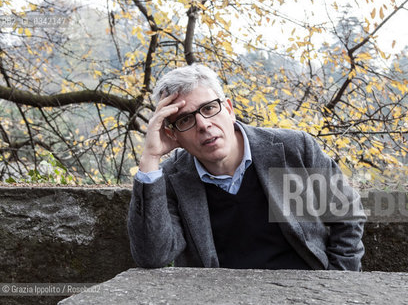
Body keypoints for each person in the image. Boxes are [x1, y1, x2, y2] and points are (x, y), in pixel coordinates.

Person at [128, 64, 365, 271]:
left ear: (229, 109)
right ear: (172, 133)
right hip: (217, 303)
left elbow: (347, 214)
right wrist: (150, 157)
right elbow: (152, 256)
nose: (203, 125)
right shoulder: (171, 178)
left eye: (209, 108)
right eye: (185, 120)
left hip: (304, 293)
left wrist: (336, 281)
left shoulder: (294, 149)